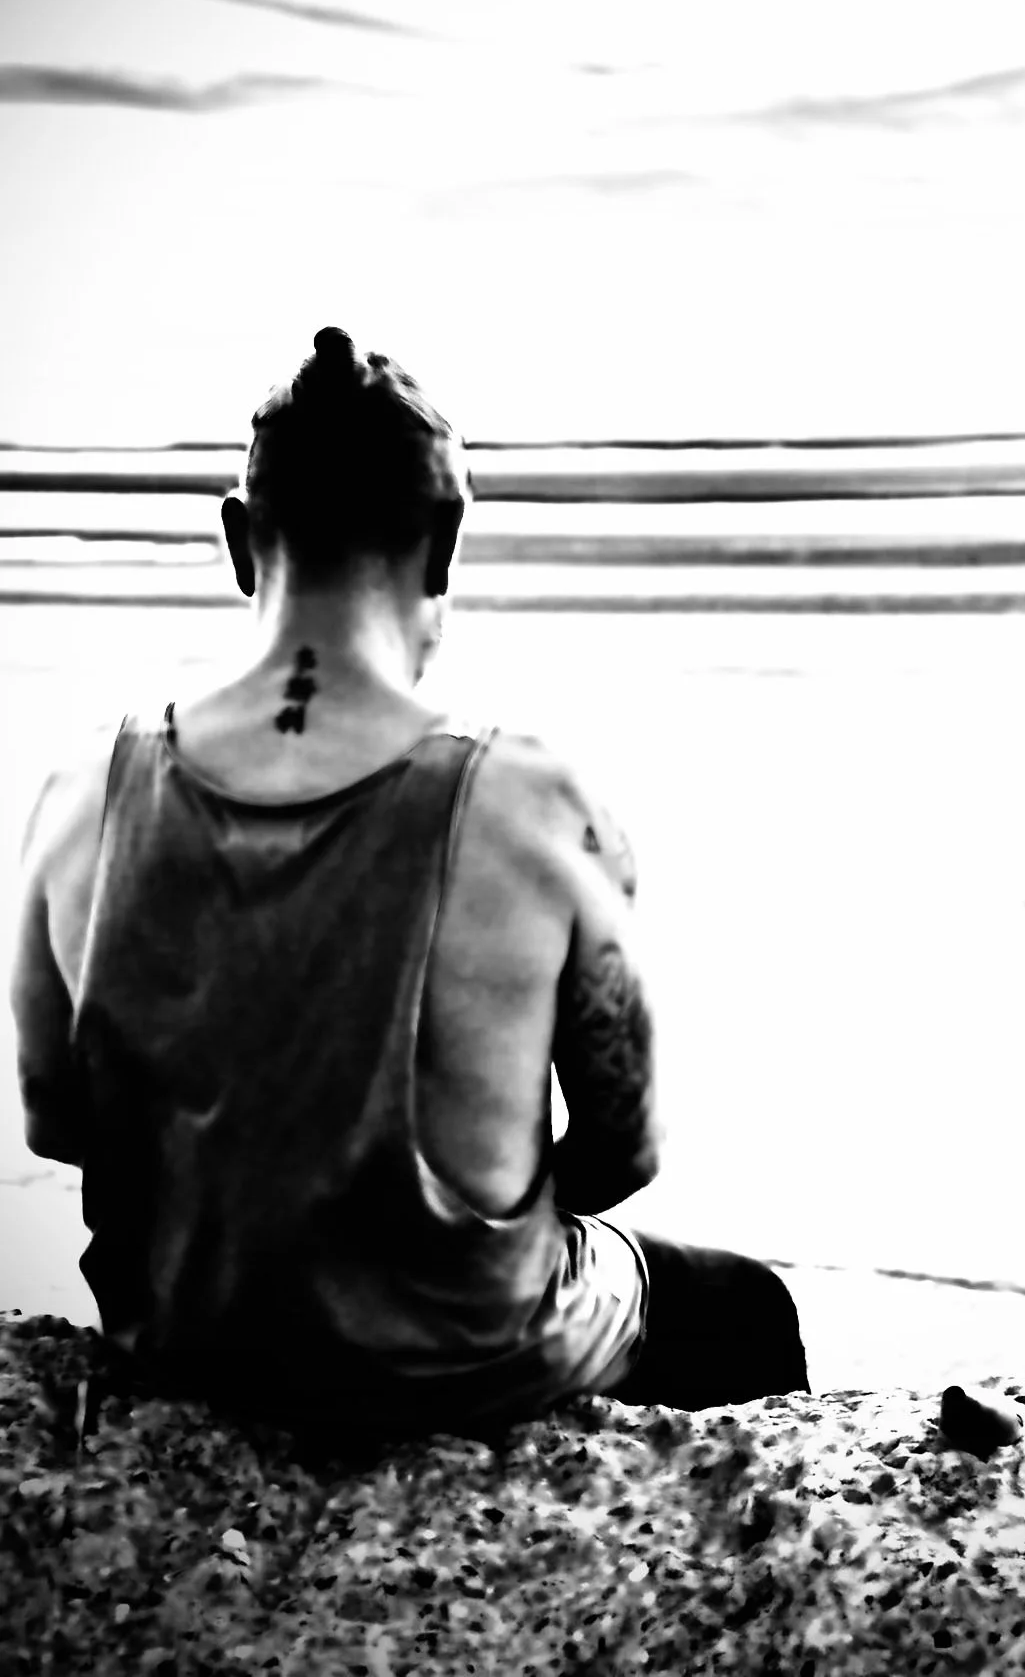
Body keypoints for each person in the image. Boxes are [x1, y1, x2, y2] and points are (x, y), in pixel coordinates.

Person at [9, 328, 808, 1441]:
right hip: (463, 1355)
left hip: (178, 1335)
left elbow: (55, 1121)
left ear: (242, 541)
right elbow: (622, 1151)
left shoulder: (78, 786)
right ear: (443, 543)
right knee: (746, 1307)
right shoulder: (533, 800)